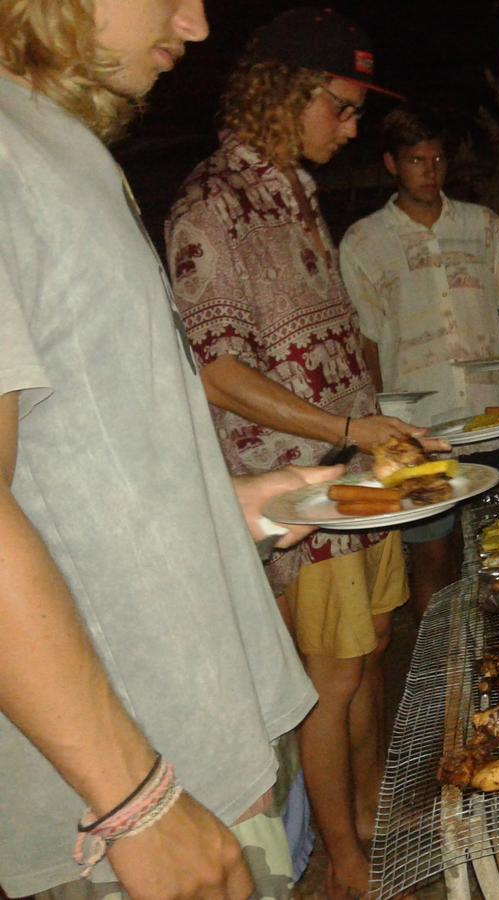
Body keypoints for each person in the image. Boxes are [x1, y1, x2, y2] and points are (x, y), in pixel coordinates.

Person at [0, 0, 343, 896]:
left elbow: (68, 454)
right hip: (125, 799)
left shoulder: (52, 141)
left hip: (206, 751)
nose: (194, 26)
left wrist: (224, 503)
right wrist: (131, 801)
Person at [164, 9, 441, 897]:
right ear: (286, 94)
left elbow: (327, 349)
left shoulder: (298, 192)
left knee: (365, 659)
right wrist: (350, 435)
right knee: (329, 679)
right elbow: (219, 374)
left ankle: (363, 816)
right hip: (298, 496)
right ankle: (343, 862)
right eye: (342, 107)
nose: (353, 127)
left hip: (361, 476)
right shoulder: (211, 206)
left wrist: (389, 426)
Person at [339, 103, 499, 617]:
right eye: (415, 160)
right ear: (391, 164)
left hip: (490, 419)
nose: (429, 172)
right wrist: (377, 425)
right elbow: (366, 338)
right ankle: (446, 662)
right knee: (433, 552)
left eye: (436, 160)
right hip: (415, 431)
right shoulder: (365, 241)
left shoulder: (483, 226)